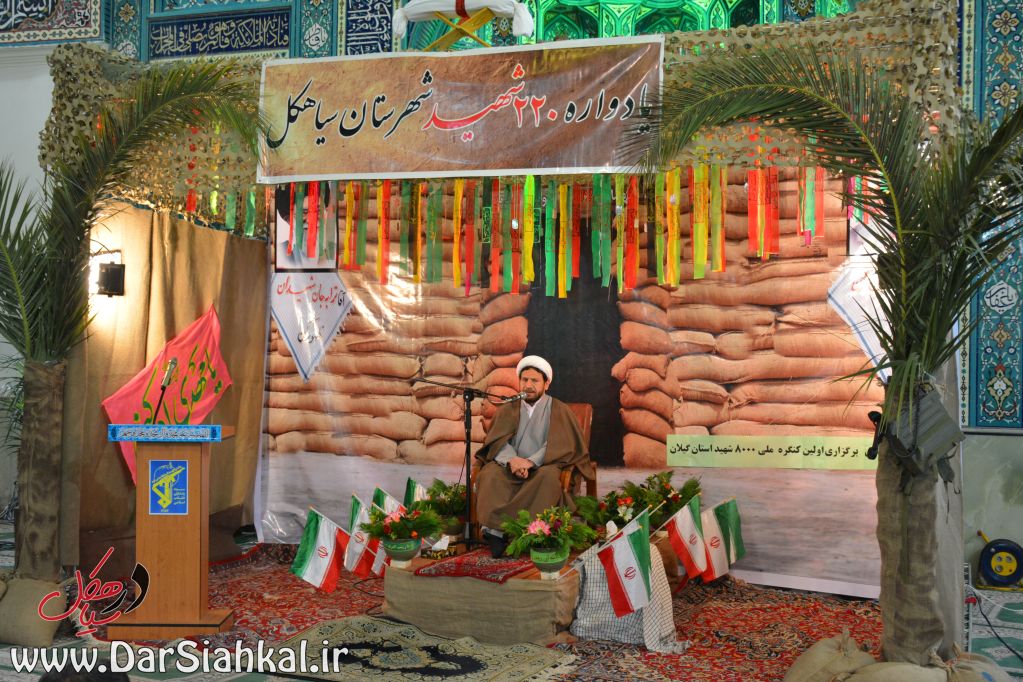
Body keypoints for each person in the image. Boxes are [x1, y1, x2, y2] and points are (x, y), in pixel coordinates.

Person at [474, 355, 594, 556]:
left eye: (534, 381)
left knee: (548, 479)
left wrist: (530, 462)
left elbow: (560, 444)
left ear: (546, 384)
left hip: (543, 465)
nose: (528, 385)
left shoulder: (559, 410)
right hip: (510, 464)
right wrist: (512, 460)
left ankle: (529, 533)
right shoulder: (508, 408)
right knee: (490, 474)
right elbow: (497, 442)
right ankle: (496, 532)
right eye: (524, 380)